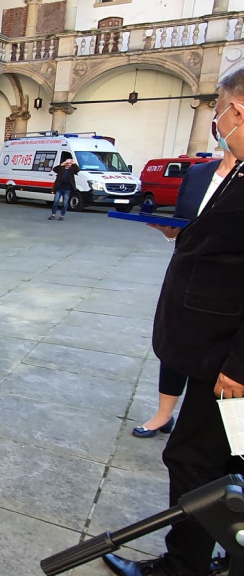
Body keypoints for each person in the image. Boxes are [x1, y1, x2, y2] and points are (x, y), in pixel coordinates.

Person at [102, 68, 244, 576]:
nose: (215, 118)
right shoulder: (230, 170)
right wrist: (179, 233)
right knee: (229, 460)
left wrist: (238, 365)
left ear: (237, 111)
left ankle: (184, 566)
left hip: (223, 358)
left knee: (193, 460)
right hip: (202, 339)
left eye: (219, 108)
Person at [133, 148, 239, 439]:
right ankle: (163, 415)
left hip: (229, 294)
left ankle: (237, 443)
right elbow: (186, 225)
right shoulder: (199, 173)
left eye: (219, 112)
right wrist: (171, 230)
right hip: (188, 281)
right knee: (176, 348)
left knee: (229, 376)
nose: (217, 123)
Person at [49, 155, 79, 220]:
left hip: (67, 189)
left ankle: (62, 216)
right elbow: (54, 169)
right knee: (55, 202)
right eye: (67, 163)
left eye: (69, 163)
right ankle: (53, 215)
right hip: (59, 188)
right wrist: (61, 164)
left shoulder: (72, 169)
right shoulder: (61, 168)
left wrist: (73, 163)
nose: (68, 164)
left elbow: (78, 170)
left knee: (65, 203)